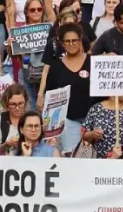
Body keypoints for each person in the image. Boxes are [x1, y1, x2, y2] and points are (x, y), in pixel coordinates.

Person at [44, 23, 91, 154]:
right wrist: (50, 130)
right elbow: (50, 98)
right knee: (73, 156)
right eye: (67, 41)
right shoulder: (55, 67)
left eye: (74, 40)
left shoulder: (93, 62)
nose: (71, 44)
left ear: (80, 40)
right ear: (62, 43)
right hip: (68, 119)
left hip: (93, 118)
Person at [0, 84, 29, 154]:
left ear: (25, 103)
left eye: (20, 103)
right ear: (6, 104)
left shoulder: (30, 119)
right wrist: (7, 144)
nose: (17, 108)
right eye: (13, 104)